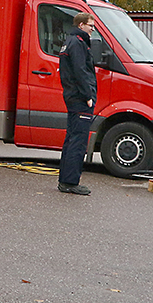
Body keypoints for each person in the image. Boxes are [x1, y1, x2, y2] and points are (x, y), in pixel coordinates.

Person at [57, 12, 98, 196]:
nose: (93, 29)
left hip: (72, 97)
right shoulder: (78, 44)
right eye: (91, 25)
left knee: (71, 138)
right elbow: (80, 71)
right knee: (78, 140)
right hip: (80, 99)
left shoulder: (70, 42)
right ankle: (70, 182)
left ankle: (65, 180)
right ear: (81, 25)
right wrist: (88, 95)